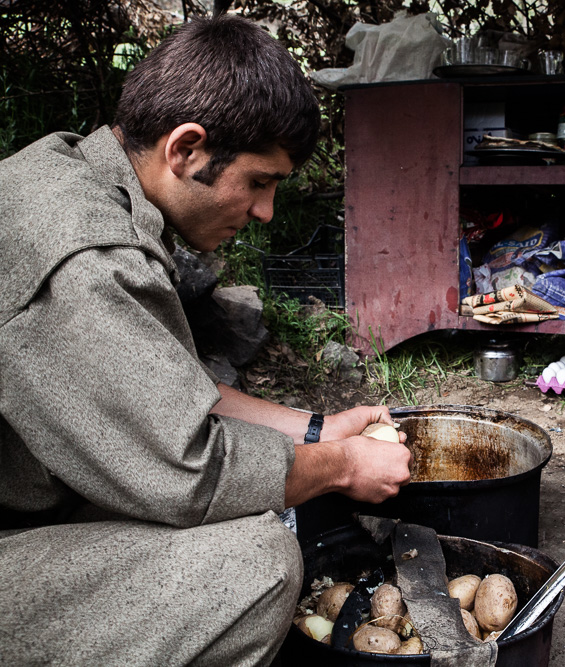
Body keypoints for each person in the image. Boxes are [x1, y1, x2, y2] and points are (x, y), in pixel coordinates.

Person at [0, 15, 412, 665]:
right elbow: (190, 475)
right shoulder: (86, 261)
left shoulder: (78, 172)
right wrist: (344, 465)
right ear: (186, 149)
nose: (265, 211)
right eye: (259, 181)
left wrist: (319, 429)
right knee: (254, 562)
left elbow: (171, 396)